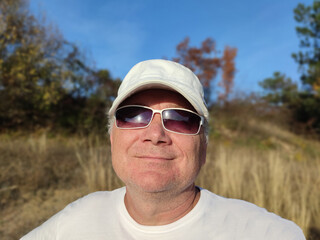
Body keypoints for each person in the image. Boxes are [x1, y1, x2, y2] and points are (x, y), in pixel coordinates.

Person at [21, 59, 305, 240]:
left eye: (181, 119)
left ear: (203, 148)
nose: (155, 135)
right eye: (133, 115)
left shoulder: (267, 233)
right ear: (112, 140)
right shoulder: (73, 222)